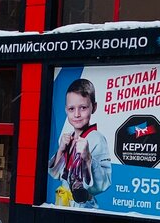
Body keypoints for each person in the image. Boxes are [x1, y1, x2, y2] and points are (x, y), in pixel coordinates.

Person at [48, 78, 112, 207]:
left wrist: (88, 158)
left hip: (83, 205)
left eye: (83, 108)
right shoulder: (68, 139)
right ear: (66, 110)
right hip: (63, 201)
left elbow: (104, 183)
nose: (77, 114)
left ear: (94, 107)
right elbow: (56, 174)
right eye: (71, 109)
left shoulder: (97, 139)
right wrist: (61, 150)